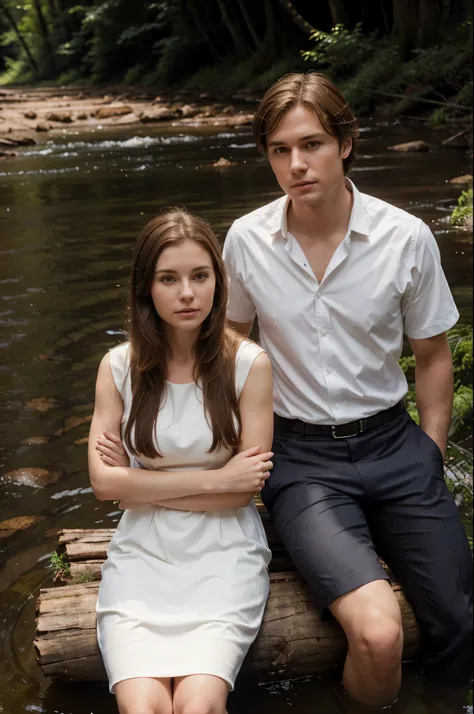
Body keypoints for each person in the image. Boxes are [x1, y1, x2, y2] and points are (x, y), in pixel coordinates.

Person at [222, 72, 473, 709]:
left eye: (311, 144)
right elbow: (229, 346)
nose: (296, 164)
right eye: (280, 150)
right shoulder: (247, 241)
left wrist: (431, 449)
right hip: (302, 461)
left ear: (347, 143)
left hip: (396, 446)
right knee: (380, 633)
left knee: (460, 622)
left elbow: (432, 354)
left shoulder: (405, 237)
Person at [88, 207, 274, 714]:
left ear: (218, 280)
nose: (186, 293)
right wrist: (218, 478)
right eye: (168, 279)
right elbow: (104, 485)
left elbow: (243, 492)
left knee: (199, 705)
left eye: (199, 276)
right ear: (146, 287)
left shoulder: (249, 364)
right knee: (141, 706)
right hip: (143, 553)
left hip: (224, 552)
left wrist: (138, 482)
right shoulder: (119, 367)